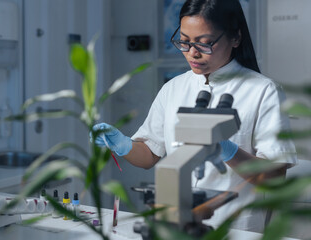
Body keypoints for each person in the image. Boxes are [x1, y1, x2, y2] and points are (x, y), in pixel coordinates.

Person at [92, 0, 297, 233]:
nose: (192, 53)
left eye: (205, 43)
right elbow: (149, 154)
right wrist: (123, 144)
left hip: (235, 228)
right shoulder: (174, 89)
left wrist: (227, 150)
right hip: (177, 225)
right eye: (185, 42)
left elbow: (274, 178)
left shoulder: (263, 91)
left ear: (235, 38)